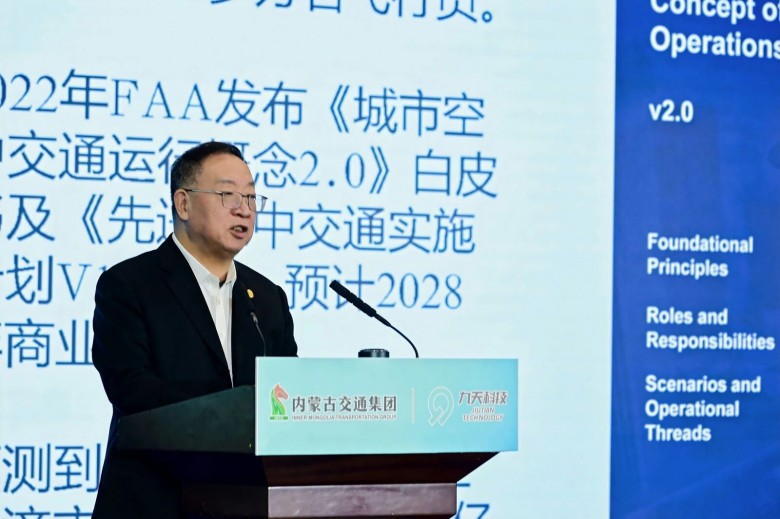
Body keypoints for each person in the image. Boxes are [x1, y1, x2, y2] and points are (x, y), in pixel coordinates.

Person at [91, 141, 297, 517]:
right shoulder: (129, 285)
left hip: (246, 503)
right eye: (228, 195)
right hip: (155, 501)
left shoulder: (268, 298)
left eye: (252, 197)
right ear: (183, 204)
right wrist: (229, 416)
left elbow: (285, 393)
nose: (244, 209)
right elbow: (130, 388)